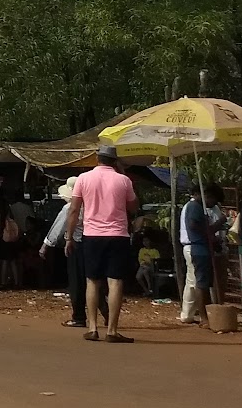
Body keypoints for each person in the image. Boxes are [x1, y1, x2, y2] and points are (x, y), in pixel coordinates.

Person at [66, 144, 138, 343]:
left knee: (92, 281)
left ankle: (92, 328)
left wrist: (69, 237)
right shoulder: (123, 180)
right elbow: (134, 206)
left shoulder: (83, 178)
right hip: (118, 235)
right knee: (115, 281)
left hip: (92, 235)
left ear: (97, 159)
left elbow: (74, 210)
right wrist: (123, 174)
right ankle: (112, 330)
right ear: (115, 161)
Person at [40, 177, 86, 328]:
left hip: (76, 245)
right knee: (93, 281)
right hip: (92, 244)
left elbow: (58, 228)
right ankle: (105, 312)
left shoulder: (69, 208)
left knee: (76, 282)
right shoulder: (90, 205)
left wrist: (46, 245)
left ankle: (78, 317)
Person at [177, 187, 217, 323]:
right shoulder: (194, 206)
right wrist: (209, 230)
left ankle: (188, 314)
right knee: (198, 283)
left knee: (193, 282)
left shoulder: (194, 206)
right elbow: (193, 225)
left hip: (195, 246)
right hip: (195, 246)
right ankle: (197, 315)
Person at [136, 236, 162, 300]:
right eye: (144, 241)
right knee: (138, 277)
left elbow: (156, 260)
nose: (145, 242)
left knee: (146, 271)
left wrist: (149, 263)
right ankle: (146, 290)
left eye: (147, 241)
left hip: (151, 266)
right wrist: (143, 263)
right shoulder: (142, 250)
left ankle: (150, 287)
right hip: (143, 265)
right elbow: (140, 259)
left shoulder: (155, 251)